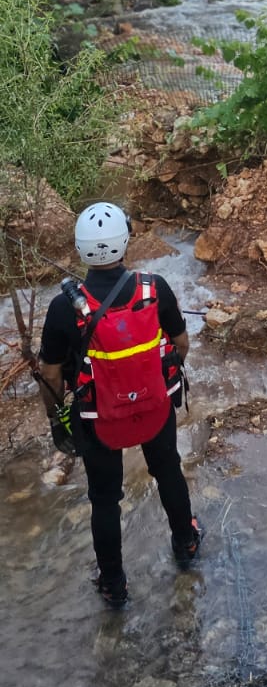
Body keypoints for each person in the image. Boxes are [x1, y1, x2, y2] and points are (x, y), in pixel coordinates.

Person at [38, 201, 202, 608]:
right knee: (168, 471)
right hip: (154, 407)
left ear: (80, 247)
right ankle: (186, 544)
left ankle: (113, 585)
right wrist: (155, 378)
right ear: (125, 241)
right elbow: (181, 344)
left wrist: (57, 419)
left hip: (98, 418)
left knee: (104, 498)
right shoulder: (154, 288)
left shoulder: (63, 308)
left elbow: (51, 373)